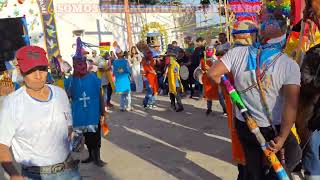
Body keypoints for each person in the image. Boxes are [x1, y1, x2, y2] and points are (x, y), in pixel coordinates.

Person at [209, 13, 302, 179]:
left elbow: (213, 73)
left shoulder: (236, 53)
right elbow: (291, 105)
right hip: (273, 128)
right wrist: (281, 138)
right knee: (292, 156)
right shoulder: (288, 64)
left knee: (253, 167)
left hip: (244, 124)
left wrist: (231, 90)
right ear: (283, 38)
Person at [0, 45, 81, 180]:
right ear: (20, 70)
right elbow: (2, 145)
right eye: (31, 70)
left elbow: (68, 128)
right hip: (36, 176)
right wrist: (14, 175)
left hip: (70, 171)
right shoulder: (12, 103)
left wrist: (75, 138)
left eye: (42, 69)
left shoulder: (60, 94)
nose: (38, 76)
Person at [65, 37, 106, 167]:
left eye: (82, 64)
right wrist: (71, 81)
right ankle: (90, 156)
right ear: (74, 66)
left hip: (93, 113)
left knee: (95, 136)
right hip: (80, 114)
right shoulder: (71, 80)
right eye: (77, 65)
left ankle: (97, 157)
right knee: (86, 137)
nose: (81, 67)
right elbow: (68, 96)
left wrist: (103, 111)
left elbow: (100, 95)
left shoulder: (93, 78)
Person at [200, 47, 220, 115]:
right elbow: (200, 69)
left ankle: (225, 109)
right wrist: (202, 70)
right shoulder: (203, 60)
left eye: (210, 50)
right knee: (208, 94)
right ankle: (209, 108)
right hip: (206, 79)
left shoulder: (215, 59)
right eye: (207, 50)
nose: (208, 51)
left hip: (214, 79)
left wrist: (209, 68)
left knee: (220, 95)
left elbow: (218, 68)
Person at [166, 45, 184, 112]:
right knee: (172, 94)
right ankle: (174, 106)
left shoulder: (174, 64)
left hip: (174, 82)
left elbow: (174, 73)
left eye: (169, 56)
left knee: (176, 94)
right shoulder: (172, 64)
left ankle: (179, 106)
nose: (167, 57)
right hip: (172, 81)